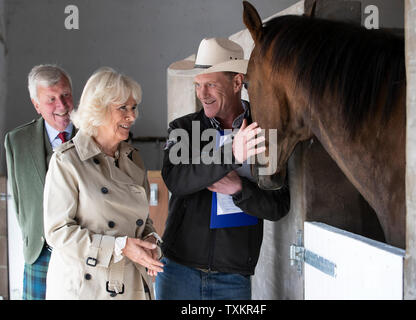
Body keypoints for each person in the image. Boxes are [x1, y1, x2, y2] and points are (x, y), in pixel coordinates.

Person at [156, 38, 290, 300]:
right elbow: (177, 180)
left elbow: (278, 206)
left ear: (237, 83)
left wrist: (240, 189)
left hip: (233, 277)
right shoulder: (183, 129)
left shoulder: (264, 134)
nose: (201, 94)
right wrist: (231, 154)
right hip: (178, 270)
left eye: (210, 85)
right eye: (197, 85)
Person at [43, 67, 163, 300]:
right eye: (123, 108)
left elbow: (143, 220)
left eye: (134, 107)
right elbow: (58, 232)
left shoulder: (133, 158)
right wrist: (119, 246)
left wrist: (151, 241)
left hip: (131, 284)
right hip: (87, 288)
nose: (132, 116)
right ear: (98, 109)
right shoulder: (67, 160)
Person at [4, 64, 75, 300]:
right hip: (40, 251)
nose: (62, 106)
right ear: (36, 105)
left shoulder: (94, 135)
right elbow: (21, 200)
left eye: (65, 95)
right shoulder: (17, 141)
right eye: (51, 99)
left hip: (83, 250)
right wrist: (32, 239)